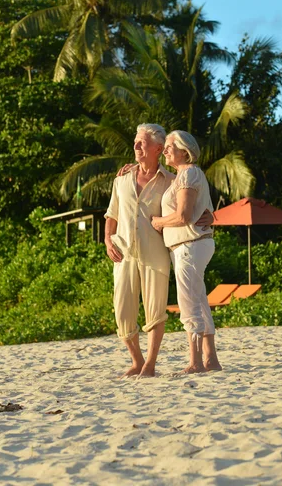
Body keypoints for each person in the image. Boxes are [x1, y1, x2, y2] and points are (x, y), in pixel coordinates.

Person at [105, 124, 213, 378]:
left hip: (157, 253)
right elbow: (111, 213)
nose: (136, 147)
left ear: (157, 148)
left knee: (157, 311)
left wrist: (210, 216)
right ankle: (137, 360)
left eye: (142, 143)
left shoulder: (174, 180)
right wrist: (108, 241)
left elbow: (194, 205)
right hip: (123, 252)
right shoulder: (121, 178)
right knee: (122, 311)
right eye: (135, 142)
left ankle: (150, 364)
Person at [151, 130, 222, 374]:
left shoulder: (189, 172)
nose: (165, 149)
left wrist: (158, 222)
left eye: (170, 145)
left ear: (184, 150)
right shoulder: (183, 175)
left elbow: (183, 216)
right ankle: (210, 359)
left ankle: (195, 362)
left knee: (188, 301)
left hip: (189, 246)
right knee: (200, 300)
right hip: (191, 245)